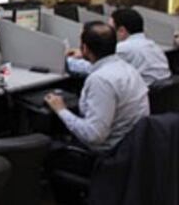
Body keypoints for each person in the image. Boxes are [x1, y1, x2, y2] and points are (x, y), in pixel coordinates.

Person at [46, 21, 149, 153]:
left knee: (49, 141)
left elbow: (94, 136)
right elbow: (90, 67)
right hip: (131, 148)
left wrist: (61, 110)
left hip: (107, 153)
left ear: (85, 49)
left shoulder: (101, 80)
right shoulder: (127, 68)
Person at [66, 9, 170, 86]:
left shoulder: (124, 48)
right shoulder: (152, 44)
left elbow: (93, 68)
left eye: (110, 28)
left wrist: (65, 60)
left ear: (121, 31)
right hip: (158, 100)